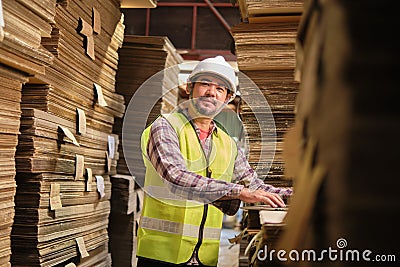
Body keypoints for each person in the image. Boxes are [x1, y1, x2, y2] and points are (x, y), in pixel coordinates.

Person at [136, 56, 292, 267]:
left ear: (227, 98)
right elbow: (175, 177)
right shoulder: (165, 127)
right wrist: (239, 192)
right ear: (190, 88)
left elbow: (256, 187)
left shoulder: (227, 143)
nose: (211, 92)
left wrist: (302, 195)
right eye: (205, 84)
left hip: (205, 256)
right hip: (162, 253)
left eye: (220, 88)